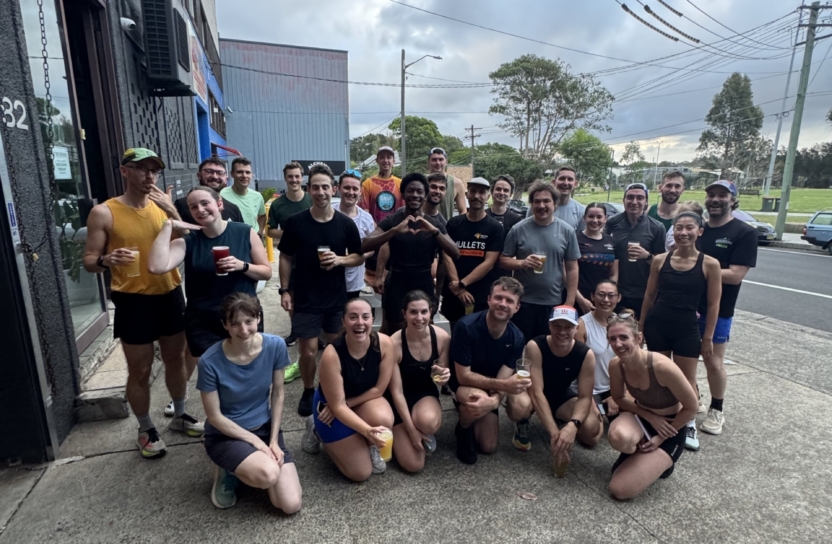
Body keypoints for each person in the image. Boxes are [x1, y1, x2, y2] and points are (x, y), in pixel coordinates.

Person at [82, 147, 202, 459]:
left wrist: (170, 208)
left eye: (154, 170)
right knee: (140, 369)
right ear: (124, 171)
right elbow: (89, 261)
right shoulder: (105, 212)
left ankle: (178, 414)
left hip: (170, 292)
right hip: (133, 300)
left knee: (176, 359)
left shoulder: (162, 207)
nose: (149, 175)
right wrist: (107, 259)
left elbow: (191, 236)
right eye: (141, 168)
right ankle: (146, 427)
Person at [148, 185, 272, 376]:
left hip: (242, 317)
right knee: (214, 376)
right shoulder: (189, 241)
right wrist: (168, 226)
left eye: (205, 203)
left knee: (246, 373)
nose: (200, 210)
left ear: (219, 204)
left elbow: (266, 272)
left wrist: (242, 265)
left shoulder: (244, 232)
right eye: (193, 207)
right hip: (203, 320)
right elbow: (156, 266)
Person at [197, 293, 301, 512]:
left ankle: (255, 465)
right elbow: (214, 416)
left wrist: (272, 440)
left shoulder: (275, 346)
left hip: (264, 428)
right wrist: (257, 443)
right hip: (226, 435)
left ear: (258, 319)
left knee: (290, 505)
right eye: (235, 324)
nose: (243, 330)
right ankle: (227, 469)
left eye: (249, 322)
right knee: (268, 474)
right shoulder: (209, 361)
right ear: (225, 325)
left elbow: (278, 394)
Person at [278, 164, 365, 417]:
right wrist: (285, 290)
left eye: (325, 187)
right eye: (315, 187)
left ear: (333, 189)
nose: (320, 191)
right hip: (305, 298)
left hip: (336, 298)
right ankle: (308, 389)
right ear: (309, 190)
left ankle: (332, 390)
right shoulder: (296, 223)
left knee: (336, 348)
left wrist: (339, 260)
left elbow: (358, 257)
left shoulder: (345, 224)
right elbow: (284, 257)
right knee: (307, 350)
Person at [640, 212, 722, 451]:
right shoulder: (660, 260)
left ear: (700, 232)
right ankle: (663, 418)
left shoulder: (710, 264)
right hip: (658, 324)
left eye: (689, 228)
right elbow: (649, 296)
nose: (683, 233)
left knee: (688, 380)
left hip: (686, 327)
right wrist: (641, 327)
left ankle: (688, 423)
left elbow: (714, 304)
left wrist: (707, 337)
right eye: (678, 228)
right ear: (672, 231)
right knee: (661, 378)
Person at [301, 298, 396, 481]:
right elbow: (336, 405)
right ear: (343, 321)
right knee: (360, 473)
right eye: (353, 317)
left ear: (372, 319)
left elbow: (378, 389)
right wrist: (367, 430)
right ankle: (315, 428)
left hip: (358, 400)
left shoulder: (384, 344)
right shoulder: (332, 354)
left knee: (383, 417)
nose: (360, 322)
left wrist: (347, 404)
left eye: (365, 317)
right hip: (329, 408)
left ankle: (369, 445)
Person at [605, 313, 698, 500]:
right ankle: (640, 453)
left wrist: (661, 437)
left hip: (671, 428)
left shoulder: (662, 367)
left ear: (638, 338)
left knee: (619, 489)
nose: (618, 344)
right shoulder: (616, 365)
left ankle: (664, 462)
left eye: (624, 337)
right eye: (612, 339)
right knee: (618, 436)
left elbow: (692, 406)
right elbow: (619, 398)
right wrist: (650, 417)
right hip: (643, 419)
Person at [361, 173, 460, 334]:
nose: (415, 195)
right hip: (396, 283)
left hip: (423, 282)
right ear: (403, 193)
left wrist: (434, 232)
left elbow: (455, 253)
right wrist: (394, 231)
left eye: (419, 192)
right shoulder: (392, 220)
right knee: (395, 333)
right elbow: (365, 245)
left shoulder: (434, 223)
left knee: (421, 331)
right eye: (410, 191)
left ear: (425, 195)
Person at [449, 277, 533, 465]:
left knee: (489, 446)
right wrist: (503, 388)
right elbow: (463, 376)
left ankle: (472, 413)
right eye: (499, 298)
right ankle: (463, 428)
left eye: (510, 301)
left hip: (490, 389)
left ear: (517, 307)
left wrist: (494, 401)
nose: (503, 304)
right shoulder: (466, 327)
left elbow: (503, 379)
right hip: (463, 385)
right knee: (475, 398)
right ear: (489, 299)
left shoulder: (517, 337)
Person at [697, 180, 757, 437]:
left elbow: (735, 275)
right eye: (711, 195)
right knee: (685, 357)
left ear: (733, 199)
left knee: (713, 360)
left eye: (722, 195)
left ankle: (716, 409)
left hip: (719, 309)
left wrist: (697, 270)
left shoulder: (743, 232)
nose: (715, 199)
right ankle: (692, 398)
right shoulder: (699, 230)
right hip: (688, 305)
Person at [500, 182, 580, 341]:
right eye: (537, 201)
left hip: (553, 303)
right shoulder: (518, 229)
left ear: (555, 204)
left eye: (546, 201)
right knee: (521, 346)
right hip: (522, 302)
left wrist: (569, 302)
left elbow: (572, 268)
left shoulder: (567, 231)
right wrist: (522, 263)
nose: (541, 205)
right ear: (531, 204)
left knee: (549, 347)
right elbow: (503, 260)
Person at [527, 306, 603, 470]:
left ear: (576, 328)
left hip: (561, 395)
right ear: (549, 326)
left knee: (592, 433)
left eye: (568, 327)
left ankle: (565, 419)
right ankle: (522, 424)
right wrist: (555, 435)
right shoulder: (535, 345)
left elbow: (584, 396)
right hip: (531, 394)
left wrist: (573, 425)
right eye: (557, 326)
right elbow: (536, 392)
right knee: (518, 408)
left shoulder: (585, 354)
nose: (562, 332)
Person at [386, 291, 451, 472]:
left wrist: (445, 377)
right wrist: (411, 431)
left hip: (423, 393)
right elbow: (396, 392)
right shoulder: (394, 344)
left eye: (424, 312)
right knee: (414, 465)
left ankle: (420, 429)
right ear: (404, 313)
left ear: (431, 312)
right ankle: (400, 432)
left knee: (428, 422)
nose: (419, 318)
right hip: (397, 399)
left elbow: (440, 381)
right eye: (413, 312)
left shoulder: (442, 338)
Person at [442, 177, 504, 332]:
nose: (477, 196)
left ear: (488, 196)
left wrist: (463, 285)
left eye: (482, 192)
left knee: (479, 336)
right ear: (467, 194)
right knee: (456, 334)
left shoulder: (495, 228)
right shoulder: (454, 224)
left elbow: (489, 263)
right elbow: (446, 256)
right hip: (454, 293)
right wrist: (457, 287)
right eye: (473, 191)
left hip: (481, 295)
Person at [267, 161, 313, 352]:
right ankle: (296, 330)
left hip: (311, 258)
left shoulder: (311, 199)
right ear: (285, 178)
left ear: (302, 178)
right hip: (290, 258)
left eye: (297, 176)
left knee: (312, 296)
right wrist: (291, 234)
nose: (294, 180)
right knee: (291, 296)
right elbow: (270, 232)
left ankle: (314, 332)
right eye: (290, 176)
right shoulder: (278, 204)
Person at [604, 183, 666, 320]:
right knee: (615, 333)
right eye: (630, 197)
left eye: (640, 198)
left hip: (643, 292)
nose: (634, 202)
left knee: (639, 333)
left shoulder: (657, 227)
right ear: (623, 200)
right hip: (617, 291)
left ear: (646, 202)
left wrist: (647, 256)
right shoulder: (612, 223)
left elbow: (663, 264)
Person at [576, 279, 621, 419]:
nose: (606, 300)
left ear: (618, 298)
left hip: (614, 388)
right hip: (589, 389)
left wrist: (616, 395)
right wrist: (587, 398)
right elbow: (577, 366)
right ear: (592, 297)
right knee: (593, 430)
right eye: (601, 294)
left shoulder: (623, 324)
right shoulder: (582, 325)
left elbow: (632, 364)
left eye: (611, 295)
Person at [360, 146, 402, 292]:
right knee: (373, 277)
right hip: (376, 235)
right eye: (382, 157)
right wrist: (377, 229)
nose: (385, 160)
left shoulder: (400, 183)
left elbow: (403, 210)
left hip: (395, 237)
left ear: (393, 161)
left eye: (388, 157)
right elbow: (365, 210)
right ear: (377, 160)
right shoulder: (368, 183)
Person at [333, 170, 376, 300]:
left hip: (354, 284)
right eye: (346, 187)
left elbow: (372, 248)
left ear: (360, 192)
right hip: (328, 281)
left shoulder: (366, 218)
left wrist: (357, 255)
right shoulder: (328, 213)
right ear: (339, 188)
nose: (350, 192)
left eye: (354, 188)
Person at [575, 202, 618, 315]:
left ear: (605, 219)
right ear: (584, 218)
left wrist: (608, 297)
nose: (595, 220)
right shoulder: (575, 239)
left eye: (599, 217)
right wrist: (580, 300)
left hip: (603, 301)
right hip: (579, 299)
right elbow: (567, 274)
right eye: (591, 216)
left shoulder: (612, 242)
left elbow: (614, 274)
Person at [173, 158, 243, 225]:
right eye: (209, 171)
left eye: (220, 173)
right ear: (199, 175)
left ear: (226, 179)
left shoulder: (233, 209)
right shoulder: (181, 205)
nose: (215, 176)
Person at [486, 174, 524, 277]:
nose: (502, 193)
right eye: (498, 189)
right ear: (492, 192)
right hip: (482, 270)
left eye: (506, 190)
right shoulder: (483, 215)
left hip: (504, 272)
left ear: (511, 194)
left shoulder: (516, 220)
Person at [219, 157, 266, 235]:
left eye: (248, 172)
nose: (244, 176)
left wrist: (259, 232)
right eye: (240, 172)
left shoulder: (257, 196)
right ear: (232, 174)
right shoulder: (221, 195)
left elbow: (262, 216)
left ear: (251, 175)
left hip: (252, 240)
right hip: (230, 238)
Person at [428, 147, 467, 220]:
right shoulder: (421, 181)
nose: (438, 163)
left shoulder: (456, 183)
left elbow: (463, 211)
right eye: (434, 160)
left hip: (446, 228)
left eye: (441, 159)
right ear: (428, 162)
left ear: (446, 162)